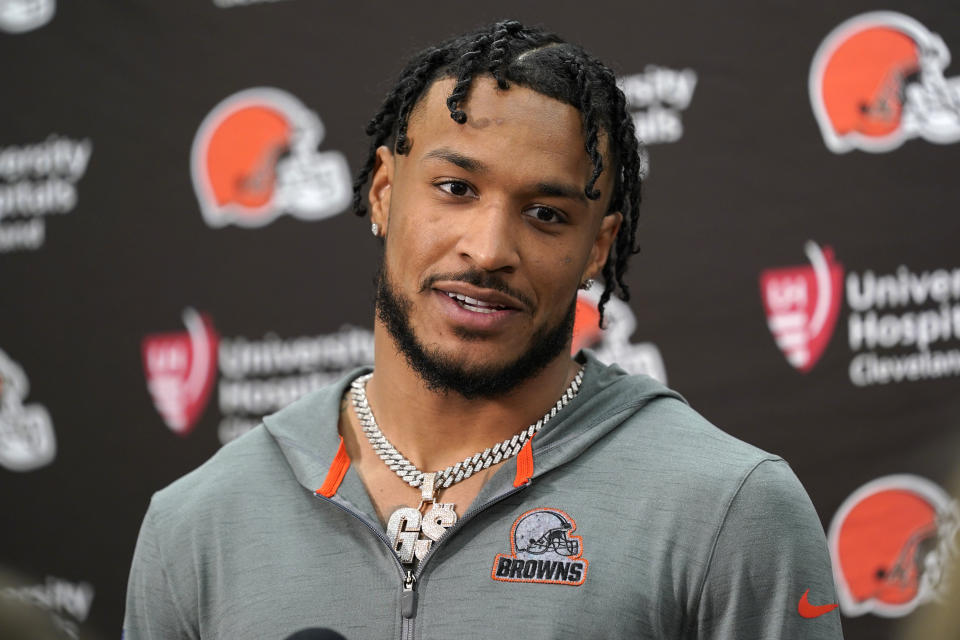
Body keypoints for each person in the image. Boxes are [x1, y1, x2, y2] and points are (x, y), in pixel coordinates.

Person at [123, 20, 844, 639]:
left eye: (547, 214)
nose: (490, 247)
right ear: (383, 191)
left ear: (598, 247)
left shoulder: (728, 509)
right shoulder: (199, 524)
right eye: (455, 189)